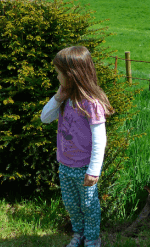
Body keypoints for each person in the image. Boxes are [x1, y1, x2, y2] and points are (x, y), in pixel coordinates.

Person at [41, 46, 114, 247]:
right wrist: (58, 97)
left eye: (58, 73)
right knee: (72, 205)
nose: (56, 77)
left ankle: (92, 239)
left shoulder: (92, 103)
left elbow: (100, 139)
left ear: (72, 75)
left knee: (89, 206)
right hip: (65, 165)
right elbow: (45, 118)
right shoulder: (65, 100)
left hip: (84, 169)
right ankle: (79, 234)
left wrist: (94, 171)